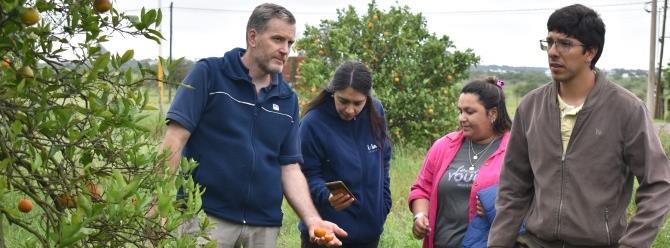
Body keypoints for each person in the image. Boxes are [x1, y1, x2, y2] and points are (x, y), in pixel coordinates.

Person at [160, 3, 346, 247]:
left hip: (264, 226)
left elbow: (289, 166)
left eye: (290, 43)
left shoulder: (287, 98)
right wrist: (158, 204)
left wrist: (313, 219)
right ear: (253, 37)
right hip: (206, 219)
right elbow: (175, 140)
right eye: (278, 39)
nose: (285, 50)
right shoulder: (210, 75)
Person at [489, 4, 670, 248]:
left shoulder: (626, 109)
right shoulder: (531, 107)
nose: (553, 52)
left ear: (590, 52)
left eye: (565, 44)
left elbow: (658, 185)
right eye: (549, 42)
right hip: (535, 242)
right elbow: (513, 187)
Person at [408, 77, 512, 248]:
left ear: (492, 113)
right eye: (460, 111)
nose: (461, 118)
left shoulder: (515, 150)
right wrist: (420, 216)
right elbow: (422, 189)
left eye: (469, 112)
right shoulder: (443, 146)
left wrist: (497, 204)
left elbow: (532, 197)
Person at [298, 61, 392, 248]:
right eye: (343, 101)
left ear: (367, 97)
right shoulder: (313, 123)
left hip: (369, 236)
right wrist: (326, 196)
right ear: (333, 92)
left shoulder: (376, 112)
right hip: (326, 236)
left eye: (358, 103)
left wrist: (384, 202)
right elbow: (305, 174)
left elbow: (384, 159)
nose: (350, 110)